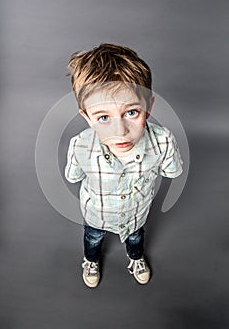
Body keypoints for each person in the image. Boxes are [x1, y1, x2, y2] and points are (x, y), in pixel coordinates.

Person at [65, 43, 183, 288]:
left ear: (148, 108)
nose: (120, 131)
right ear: (87, 116)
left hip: (136, 213)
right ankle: (91, 260)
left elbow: (172, 170)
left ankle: (136, 257)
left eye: (131, 113)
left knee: (136, 237)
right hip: (96, 215)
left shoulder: (162, 141)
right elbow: (74, 176)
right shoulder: (80, 146)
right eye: (103, 117)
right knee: (93, 238)